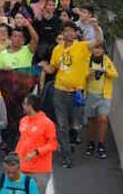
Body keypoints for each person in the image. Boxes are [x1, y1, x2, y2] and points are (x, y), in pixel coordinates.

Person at [41, 18, 103, 167]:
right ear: (62, 33)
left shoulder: (82, 46)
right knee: (61, 125)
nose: (68, 33)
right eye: (65, 31)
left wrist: (95, 26)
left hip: (77, 93)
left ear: (75, 33)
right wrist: (44, 67)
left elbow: (99, 41)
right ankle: (66, 155)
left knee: (75, 125)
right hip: (60, 91)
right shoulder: (57, 49)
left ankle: (70, 141)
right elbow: (53, 68)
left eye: (71, 30)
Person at [16, 95, 56, 194]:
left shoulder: (47, 123)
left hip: (40, 170)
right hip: (22, 167)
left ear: (30, 106)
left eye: (24, 104)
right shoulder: (23, 121)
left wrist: (36, 152)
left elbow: (53, 144)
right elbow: (22, 141)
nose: (23, 106)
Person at [84, 42, 118, 159]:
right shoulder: (87, 60)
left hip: (104, 95)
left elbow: (115, 75)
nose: (97, 51)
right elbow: (81, 75)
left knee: (103, 119)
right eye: (95, 48)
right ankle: (91, 142)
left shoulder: (107, 60)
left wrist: (106, 72)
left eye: (100, 48)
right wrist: (89, 73)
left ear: (103, 50)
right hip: (90, 94)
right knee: (91, 119)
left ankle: (101, 145)